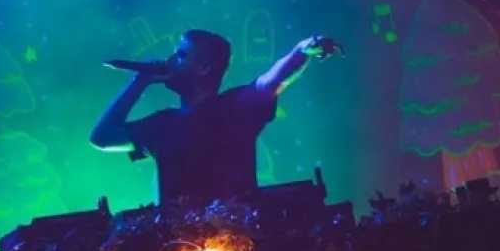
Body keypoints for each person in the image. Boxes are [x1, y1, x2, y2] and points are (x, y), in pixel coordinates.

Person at [90, 30, 341, 205]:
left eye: (181, 55)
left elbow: (273, 80)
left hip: (232, 244)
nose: (170, 60)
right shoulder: (162, 124)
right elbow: (102, 137)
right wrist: (140, 81)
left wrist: (303, 50)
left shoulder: (234, 107)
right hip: (177, 248)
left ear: (205, 68)